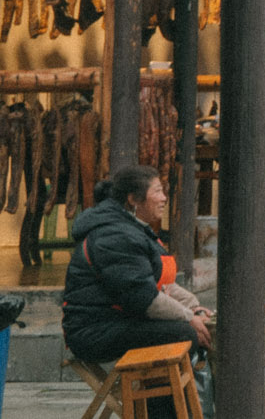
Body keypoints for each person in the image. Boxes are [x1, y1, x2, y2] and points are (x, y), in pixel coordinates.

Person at [64, 166, 212, 416]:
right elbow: (145, 300)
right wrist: (189, 318)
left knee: (188, 328)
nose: (165, 197)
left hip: (117, 321)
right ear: (133, 199)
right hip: (92, 331)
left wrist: (193, 307)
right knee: (182, 332)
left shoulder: (131, 228)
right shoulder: (114, 235)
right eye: (158, 191)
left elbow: (160, 284)